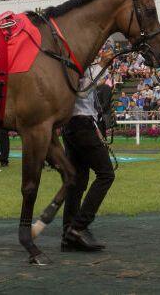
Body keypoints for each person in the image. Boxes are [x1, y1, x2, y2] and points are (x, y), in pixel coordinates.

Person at [62, 47, 115, 252]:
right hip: (80, 124)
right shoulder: (75, 62)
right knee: (106, 174)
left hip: (76, 124)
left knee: (78, 181)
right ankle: (78, 227)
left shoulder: (78, 61)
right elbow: (81, 90)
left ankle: (68, 234)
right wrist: (100, 66)